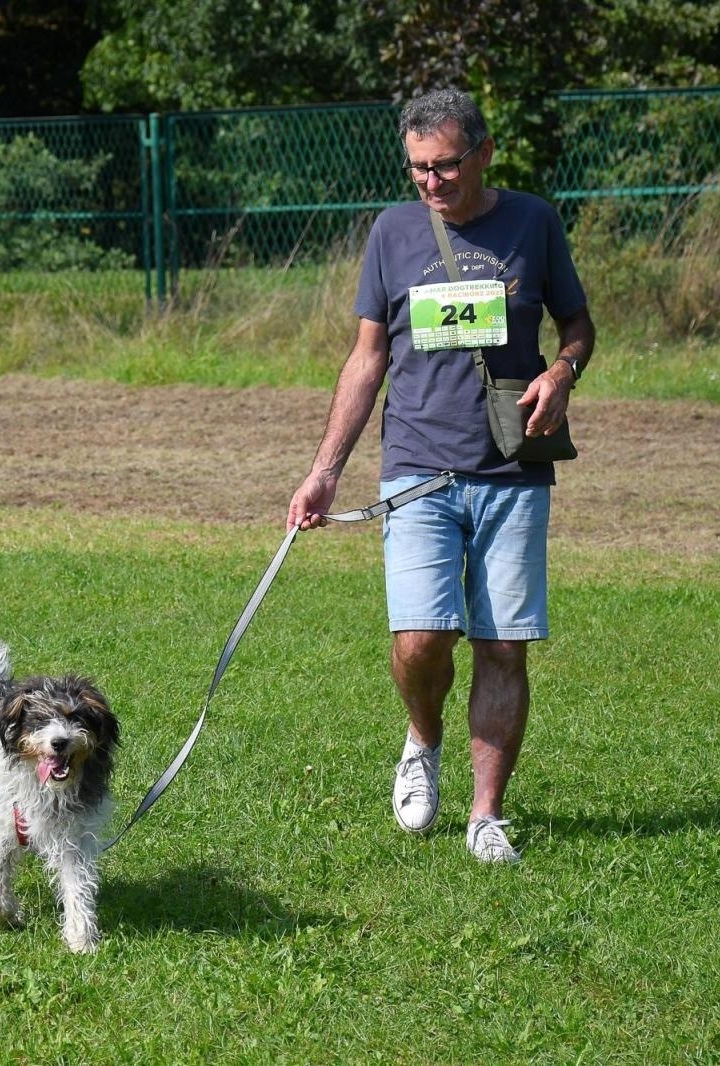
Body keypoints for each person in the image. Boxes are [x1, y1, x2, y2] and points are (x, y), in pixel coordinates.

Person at [286, 88, 595, 863]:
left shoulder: (534, 221)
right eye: (419, 169)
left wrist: (562, 372)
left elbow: (579, 327)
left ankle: (486, 816)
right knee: (422, 640)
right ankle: (422, 741)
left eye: (446, 165)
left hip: (511, 468)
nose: (432, 181)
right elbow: (367, 358)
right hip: (418, 469)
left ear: (485, 152)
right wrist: (325, 472)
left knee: (501, 646)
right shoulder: (392, 233)